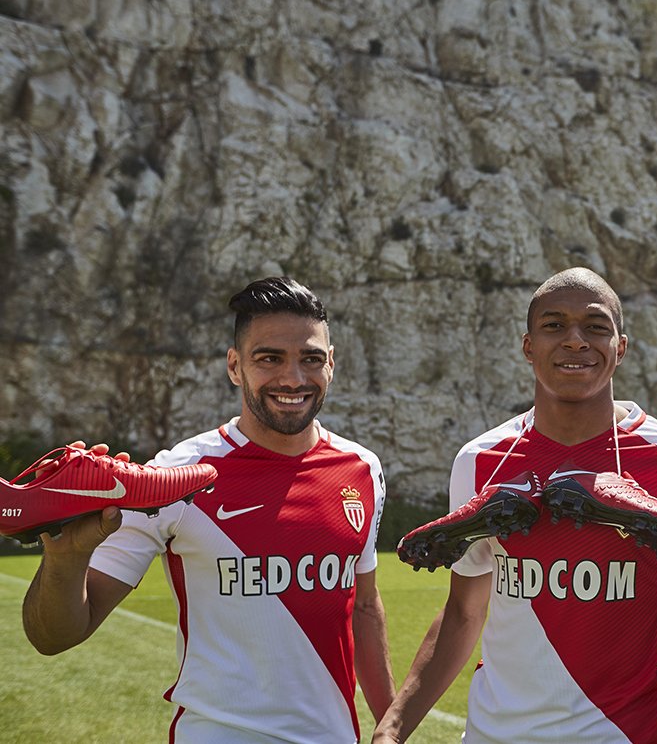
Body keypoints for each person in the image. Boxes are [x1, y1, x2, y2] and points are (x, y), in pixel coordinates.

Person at [23, 277, 396, 743]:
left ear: (332, 363)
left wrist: (391, 727)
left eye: (311, 359)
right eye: (269, 358)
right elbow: (53, 636)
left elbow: (364, 606)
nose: (293, 378)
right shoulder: (174, 477)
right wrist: (66, 555)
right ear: (235, 366)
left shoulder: (362, 468)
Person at [373, 267, 657, 744]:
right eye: (554, 325)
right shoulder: (480, 461)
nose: (575, 340)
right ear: (528, 346)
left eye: (596, 326)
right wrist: (392, 728)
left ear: (621, 347)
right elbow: (463, 611)